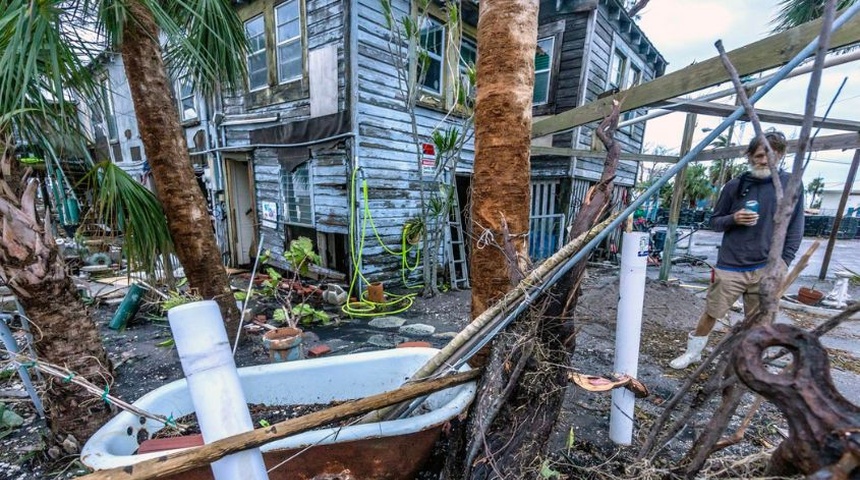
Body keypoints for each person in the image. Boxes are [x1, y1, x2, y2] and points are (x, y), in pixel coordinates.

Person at [669, 131, 805, 369]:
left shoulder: (791, 185)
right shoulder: (736, 186)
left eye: (771, 155)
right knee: (712, 311)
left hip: (767, 266)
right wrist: (733, 218)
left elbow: (796, 227)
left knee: (757, 320)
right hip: (731, 264)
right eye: (760, 155)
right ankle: (693, 353)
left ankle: (749, 361)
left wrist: (784, 261)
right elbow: (715, 221)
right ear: (750, 155)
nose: (764, 161)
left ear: (781, 155)